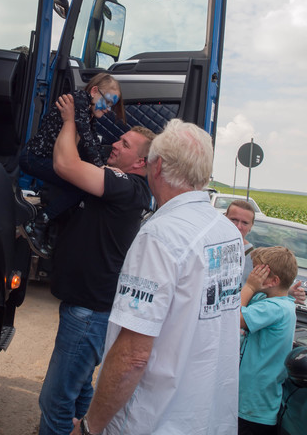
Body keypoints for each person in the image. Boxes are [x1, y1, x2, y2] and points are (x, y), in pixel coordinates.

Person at [71, 118, 244, 435]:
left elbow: (134, 355)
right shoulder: (227, 233)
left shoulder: (161, 236)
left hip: (154, 421)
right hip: (210, 418)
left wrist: (89, 427)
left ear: (158, 166)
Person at [38, 94, 154, 435]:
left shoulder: (130, 188)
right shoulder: (118, 181)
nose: (115, 143)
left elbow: (65, 166)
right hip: (86, 309)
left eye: (126, 143)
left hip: (88, 313)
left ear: (141, 163)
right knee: (80, 390)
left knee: (55, 400)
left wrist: (71, 119)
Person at [19, 72, 125, 257]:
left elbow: (90, 141)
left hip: (43, 159)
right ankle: (39, 222)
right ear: (94, 91)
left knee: (79, 187)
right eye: (107, 102)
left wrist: (102, 165)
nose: (108, 109)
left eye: (111, 105)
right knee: (80, 187)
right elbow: (85, 135)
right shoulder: (78, 102)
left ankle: (46, 225)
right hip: (34, 158)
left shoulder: (87, 112)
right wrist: (101, 167)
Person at [238, 246, 297, 435]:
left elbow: (235, 316)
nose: (253, 276)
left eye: (257, 272)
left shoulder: (274, 308)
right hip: (255, 402)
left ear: (273, 281)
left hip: (253, 405)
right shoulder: (278, 302)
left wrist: (249, 286)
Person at [225, 200, 306, 302]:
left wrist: (289, 292)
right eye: (234, 220)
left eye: (245, 223)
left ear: (251, 226)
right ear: (224, 218)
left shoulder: (256, 258)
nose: (238, 226)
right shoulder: (208, 245)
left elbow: (270, 285)